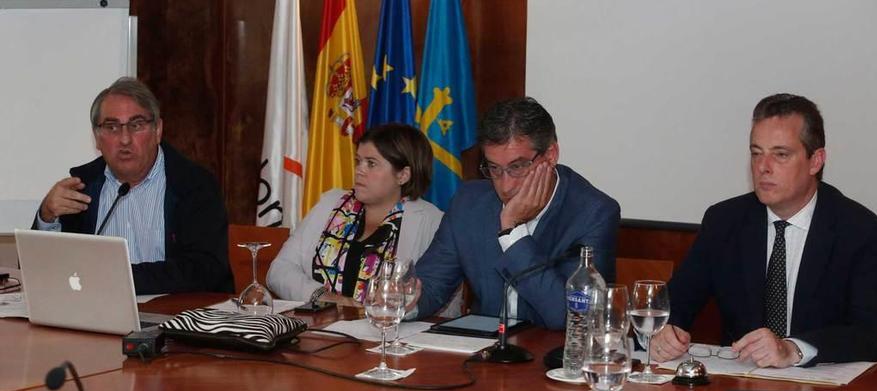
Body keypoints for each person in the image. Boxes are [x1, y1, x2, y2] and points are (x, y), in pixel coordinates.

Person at [653, 93, 877, 368]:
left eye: (780, 155)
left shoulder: (859, 230)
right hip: (738, 390)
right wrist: (663, 331)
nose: (763, 167)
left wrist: (792, 349)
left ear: (815, 161)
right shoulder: (725, 221)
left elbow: (870, 332)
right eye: (756, 153)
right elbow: (674, 303)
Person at [411, 97, 620, 329]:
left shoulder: (593, 213)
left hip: (552, 358)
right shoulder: (468, 202)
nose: (505, 185)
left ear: (550, 156)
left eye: (517, 167)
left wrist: (512, 231)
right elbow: (431, 285)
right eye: (494, 168)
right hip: (482, 354)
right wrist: (404, 300)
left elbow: (572, 318)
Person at [34, 77, 233, 295]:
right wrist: (46, 216)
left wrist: (119, 278)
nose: (125, 139)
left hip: (173, 319)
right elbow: (42, 271)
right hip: (96, 317)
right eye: (112, 127)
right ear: (97, 138)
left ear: (157, 130)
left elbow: (206, 271)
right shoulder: (82, 186)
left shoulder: (195, 185)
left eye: (136, 125)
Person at [267, 123, 449, 308]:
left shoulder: (432, 221)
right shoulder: (330, 203)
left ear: (403, 175)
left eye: (371, 163)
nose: (359, 170)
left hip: (387, 333)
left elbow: (440, 300)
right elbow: (279, 270)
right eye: (358, 161)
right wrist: (322, 296)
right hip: (319, 330)